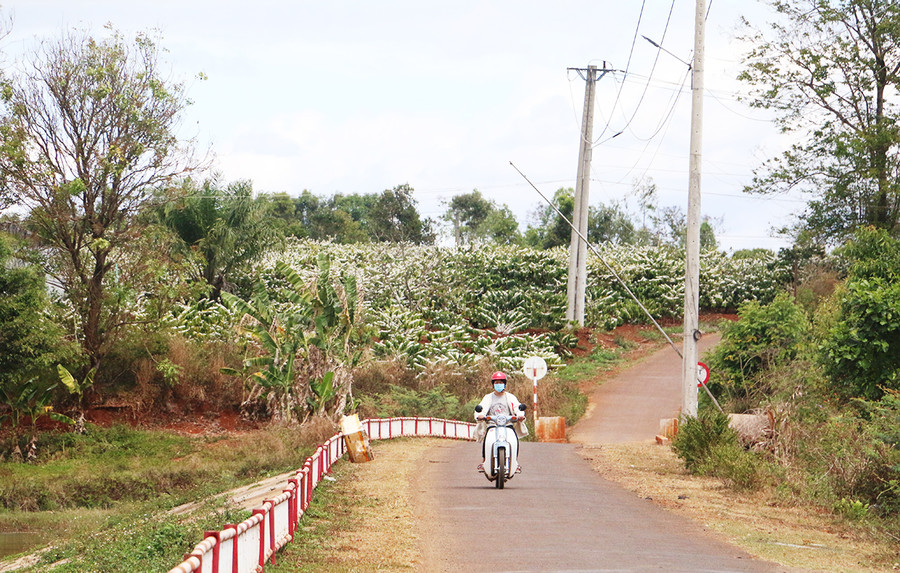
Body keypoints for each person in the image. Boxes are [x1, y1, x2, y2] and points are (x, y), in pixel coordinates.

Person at [474, 371, 528, 472]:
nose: (499, 384)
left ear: (505, 384)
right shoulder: (488, 397)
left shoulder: (510, 397)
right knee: (487, 440)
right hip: (492, 425)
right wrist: (481, 415)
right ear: (493, 384)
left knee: (514, 440)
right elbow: (482, 408)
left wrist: (519, 415)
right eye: (496, 382)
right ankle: (484, 461)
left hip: (508, 425)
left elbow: (517, 407)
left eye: (501, 382)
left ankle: (515, 463)